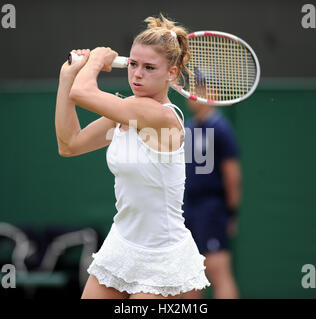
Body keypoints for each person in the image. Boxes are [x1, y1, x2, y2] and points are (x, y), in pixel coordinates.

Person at [55, 14, 210, 299]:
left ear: (172, 74)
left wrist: (95, 62)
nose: (137, 74)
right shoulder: (125, 111)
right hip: (122, 245)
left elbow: (84, 92)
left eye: (149, 67)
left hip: (162, 255)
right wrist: (67, 78)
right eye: (134, 64)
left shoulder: (159, 116)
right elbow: (70, 144)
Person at [182, 82, 241, 299]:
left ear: (212, 94)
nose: (190, 95)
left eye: (197, 89)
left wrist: (231, 213)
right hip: (189, 208)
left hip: (212, 208)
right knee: (189, 275)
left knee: (217, 271)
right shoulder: (188, 127)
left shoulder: (221, 128)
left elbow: (232, 175)